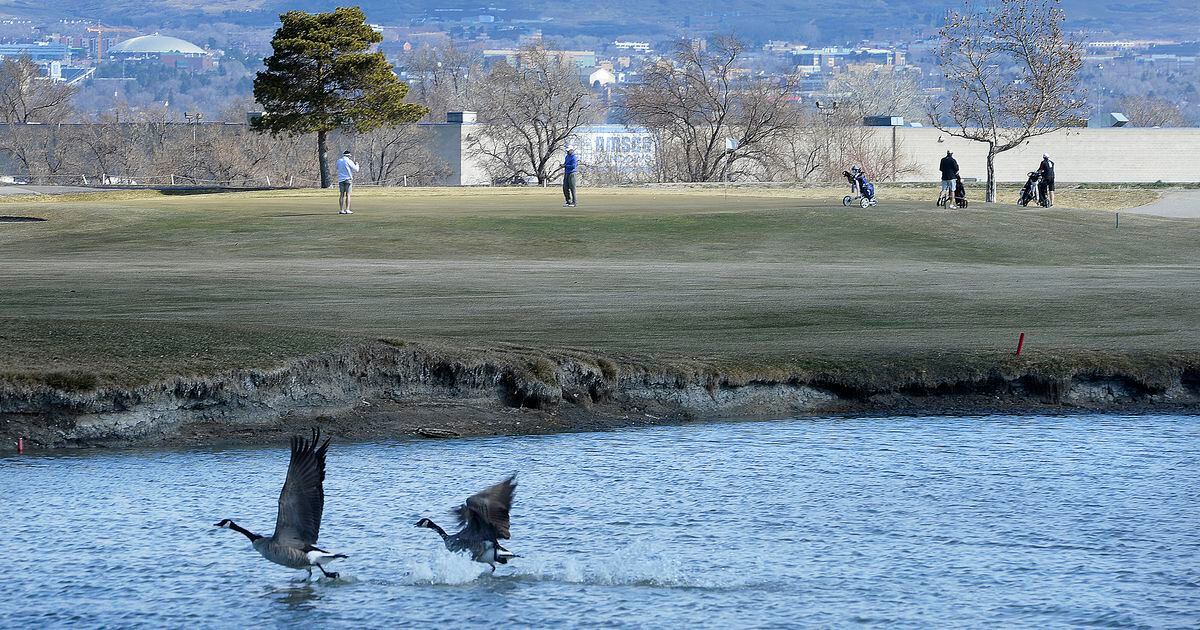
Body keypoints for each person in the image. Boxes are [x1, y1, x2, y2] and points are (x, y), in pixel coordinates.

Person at [336, 150, 359, 215]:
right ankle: (347, 209)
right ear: (348, 156)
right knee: (348, 194)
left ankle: (341, 210)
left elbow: (337, 168)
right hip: (348, 179)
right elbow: (356, 169)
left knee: (341, 194)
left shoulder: (339, 161)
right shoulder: (349, 161)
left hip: (341, 179)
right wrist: (357, 164)